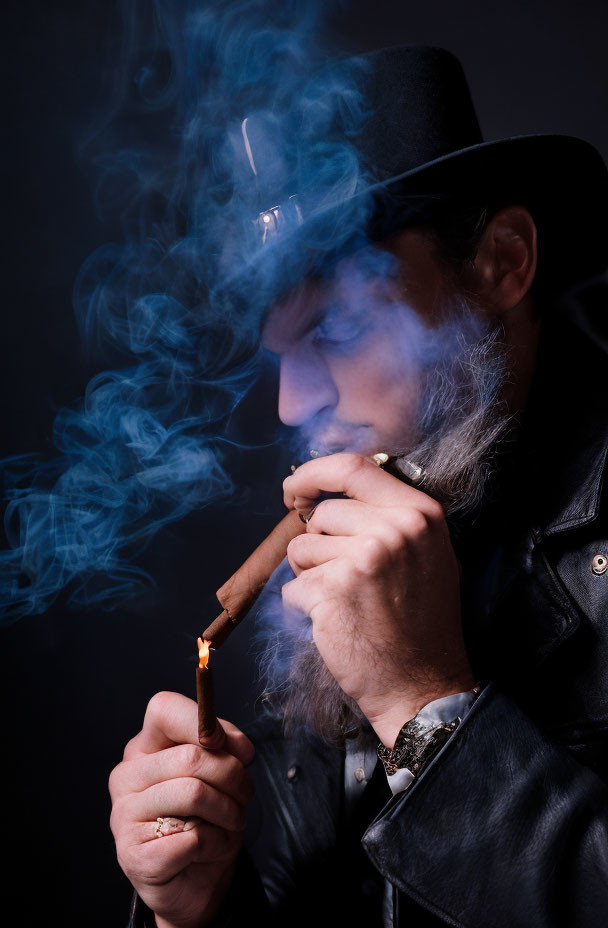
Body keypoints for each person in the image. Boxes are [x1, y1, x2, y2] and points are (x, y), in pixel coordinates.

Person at [109, 46, 608, 927]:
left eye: (335, 327)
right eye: (279, 353)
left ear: (500, 262)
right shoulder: (352, 553)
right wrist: (198, 907)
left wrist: (426, 709)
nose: (295, 402)